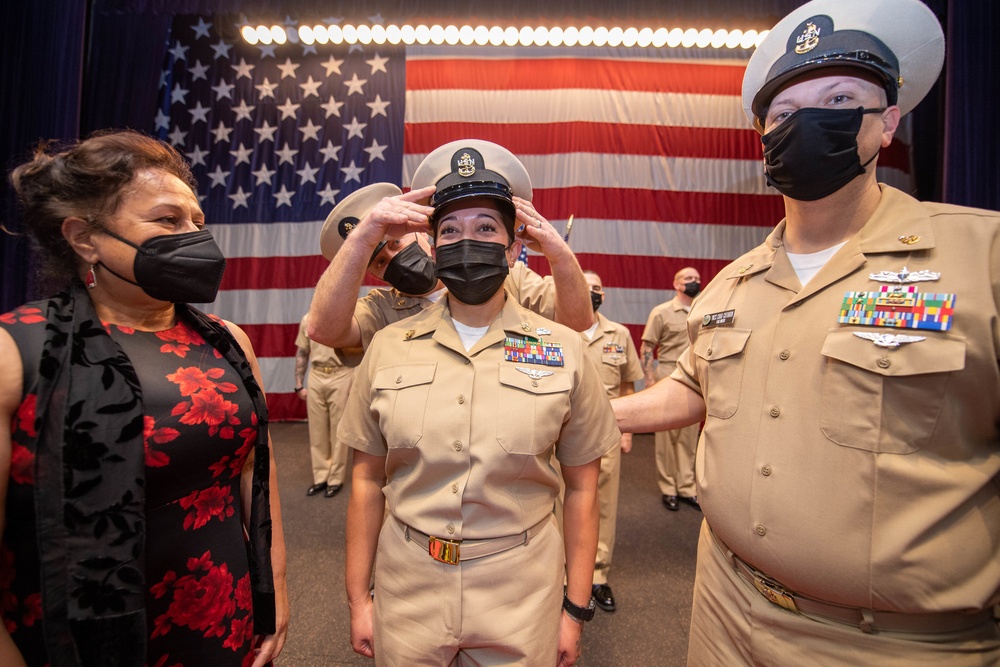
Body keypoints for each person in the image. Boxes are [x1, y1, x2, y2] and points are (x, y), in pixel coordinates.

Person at [614, 0, 1000, 663]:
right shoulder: (733, 282)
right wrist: (589, 407)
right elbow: (691, 388)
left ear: (888, 124)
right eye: (785, 114)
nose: (808, 122)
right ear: (763, 139)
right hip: (721, 607)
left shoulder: (982, 257)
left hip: (888, 644)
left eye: (840, 97)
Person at [0, 130, 288, 666]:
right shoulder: (18, 351)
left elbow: (251, 472)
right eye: (167, 221)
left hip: (223, 616)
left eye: (198, 222)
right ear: (85, 238)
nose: (194, 236)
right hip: (87, 645)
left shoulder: (226, 341)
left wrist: (275, 593)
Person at [341, 141, 620, 666]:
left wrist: (574, 610)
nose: (468, 241)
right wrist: (360, 599)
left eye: (487, 228)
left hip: (522, 590)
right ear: (431, 246)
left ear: (516, 246)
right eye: (450, 230)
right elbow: (363, 480)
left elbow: (584, 488)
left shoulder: (563, 350)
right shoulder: (387, 345)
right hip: (408, 587)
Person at [306, 142, 594, 352]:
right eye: (379, 262)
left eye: (396, 243)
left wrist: (560, 256)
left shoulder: (510, 279)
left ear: (421, 232)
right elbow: (323, 330)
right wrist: (362, 238)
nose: (395, 259)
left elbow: (578, 321)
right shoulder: (381, 310)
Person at [577, 270, 642, 613]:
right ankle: (564, 577)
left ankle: (598, 576)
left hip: (606, 435)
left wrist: (628, 431)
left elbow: (629, 385)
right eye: (584, 287)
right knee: (558, 502)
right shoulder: (556, 331)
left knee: (603, 504)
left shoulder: (620, 334)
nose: (591, 292)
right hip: (562, 436)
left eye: (597, 288)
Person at [640, 267, 702, 512]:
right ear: (676, 284)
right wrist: (649, 382)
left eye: (697, 279)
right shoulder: (662, 312)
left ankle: (687, 488)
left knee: (689, 439)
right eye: (688, 279)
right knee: (666, 439)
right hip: (668, 375)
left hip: (694, 381)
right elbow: (647, 348)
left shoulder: (703, 311)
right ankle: (668, 488)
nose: (694, 282)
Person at [294, 313, 361, 498]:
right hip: (316, 375)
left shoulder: (348, 318)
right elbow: (302, 352)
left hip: (341, 374)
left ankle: (335, 479)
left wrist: (355, 383)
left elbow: (360, 352)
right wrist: (298, 383)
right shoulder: (308, 320)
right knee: (317, 430)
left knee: (338, 430)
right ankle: (321, 476)